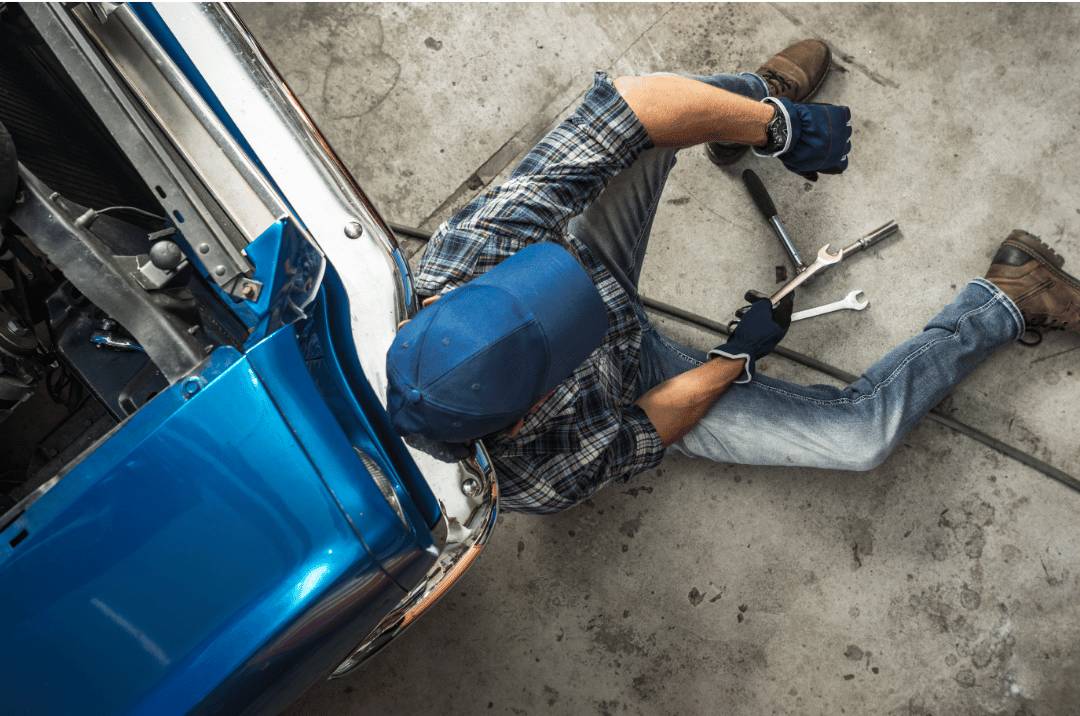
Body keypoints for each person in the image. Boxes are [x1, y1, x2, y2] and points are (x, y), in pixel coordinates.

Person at [386, 40, 1080, 514]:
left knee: (661, 115)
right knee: (860, 439)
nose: (566, 292)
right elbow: (649, 424)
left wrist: (775, 125)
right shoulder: (530, 477)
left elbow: (624, 108)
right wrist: (733, 358)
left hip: (593, 257)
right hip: (637, 377)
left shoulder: (462, 255)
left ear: (442, 305)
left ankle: (753, 103)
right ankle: (1010, 298)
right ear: (530, 412)